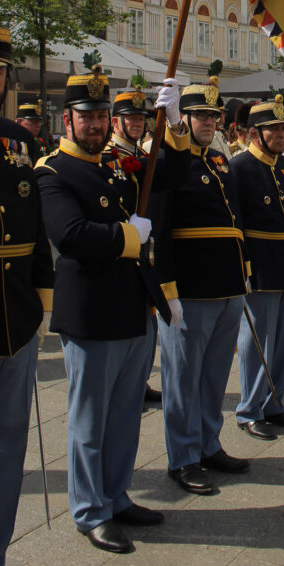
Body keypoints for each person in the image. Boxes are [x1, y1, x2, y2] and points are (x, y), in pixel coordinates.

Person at [35, 65, 188, 554]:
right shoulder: (52, 171)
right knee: (90, 420)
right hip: (91, 312)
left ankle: (116, 496)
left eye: (102, 116)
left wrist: (175, 123)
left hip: (133, 305)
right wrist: (128, 237)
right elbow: (70, 236)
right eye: (88, 117)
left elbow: (172, 176)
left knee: (124, 415)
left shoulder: (117, 162)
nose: (97, 124)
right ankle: (89, 510)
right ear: (68, 120)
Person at [0, 11, 54, 566]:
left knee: (6, 456)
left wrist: (42, 302)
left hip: (17, 318)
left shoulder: (19, 142)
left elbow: (34, 228)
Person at [150, 78, 251, 484]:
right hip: (190, 290)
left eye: (214, 116)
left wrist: (244, 272)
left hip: (227, 286)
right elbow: (159, 231)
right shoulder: (167, 162)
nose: (210, 122)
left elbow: (235, 219)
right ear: (183, 119)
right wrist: (167, 291)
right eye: (201, 116)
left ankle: (209, 443)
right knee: (182, 380)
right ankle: (183, 457)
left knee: (214, 377)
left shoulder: (219, 160)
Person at [229, 96, 284, 436]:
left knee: (281, 342)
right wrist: (243, 267)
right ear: (254, 134)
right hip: (259, 265)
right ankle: (249, 410)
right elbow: (237, 223)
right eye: (273, 129)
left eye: (283, 127)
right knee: (256, 342)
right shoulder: (239, 167)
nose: (282, 133)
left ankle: (274, 402)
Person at [106, 86, 162, 405]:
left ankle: (140, 380)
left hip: (145, 251)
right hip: (122, 251)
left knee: (148, 323)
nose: (139, 123)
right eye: (132, 118)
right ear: (116, 122)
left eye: (141, 118)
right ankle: (129, 384)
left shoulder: (141, 156)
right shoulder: (108, 158)